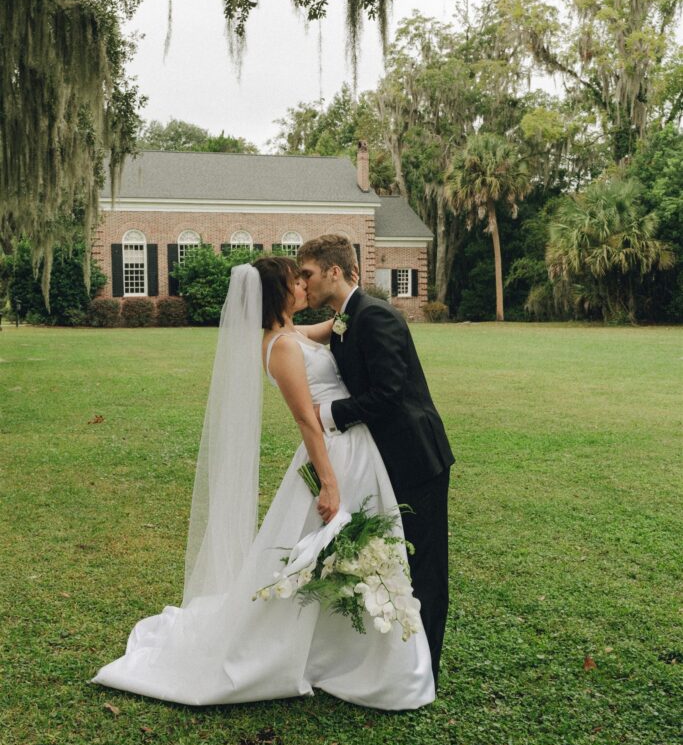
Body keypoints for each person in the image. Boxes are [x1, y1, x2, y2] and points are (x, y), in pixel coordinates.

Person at [91, 258, 435, 710]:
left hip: (355, 448)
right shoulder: (281, 348)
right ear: (279, 292)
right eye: (296, 280)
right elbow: (306, 421)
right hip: (331, 452)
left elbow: (335, 325)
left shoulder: (293, 334)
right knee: (323, 547)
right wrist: (329, 485)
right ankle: (315, 651)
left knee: (338, 549)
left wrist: (354, 300)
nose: (302, 285)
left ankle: (346, 647)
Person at [297, 235, 454, 689]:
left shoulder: (377, 316)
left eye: (307, 273)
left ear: (333, 271)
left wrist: (328, 415)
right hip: (382, 460)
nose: (303, 283)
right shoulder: (346, 317)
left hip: (415, 457)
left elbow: (387, 396)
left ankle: (426, 671)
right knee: (390, 560)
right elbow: (318, 336)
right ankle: (397, 660)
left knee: (424, 566)